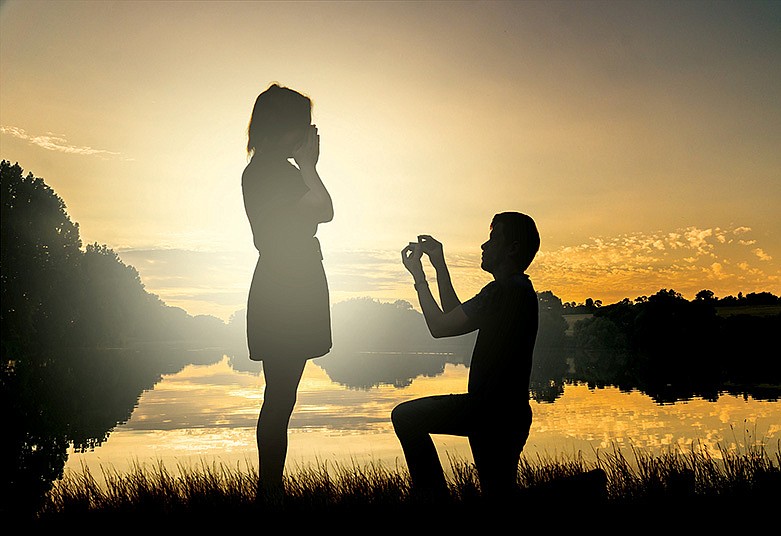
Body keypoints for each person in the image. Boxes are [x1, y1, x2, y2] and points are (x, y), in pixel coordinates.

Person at [393, 212, 540, 501]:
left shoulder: (503, 290)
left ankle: (433, 500)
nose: (484, 246)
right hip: (508, 413)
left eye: (492, 238)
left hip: (489, 411)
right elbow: (453, 316)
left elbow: (439, 326)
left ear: (511, 248)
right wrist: (439, 265)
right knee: (498, 496)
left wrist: (419, 278)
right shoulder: (517, 289)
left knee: (405, 416)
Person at [242, 83, 333, 497]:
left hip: (289, 284)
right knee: (279, 397)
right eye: (303, 125)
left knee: (281, 396)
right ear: (284, 127)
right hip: (285, 289)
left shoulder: (276, 170)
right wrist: (311, 167)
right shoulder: (269, 173)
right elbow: (325, 210)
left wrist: (305, 168)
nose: (309, 133)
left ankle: (270, 490)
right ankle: (270, 492)